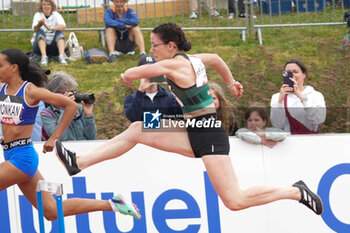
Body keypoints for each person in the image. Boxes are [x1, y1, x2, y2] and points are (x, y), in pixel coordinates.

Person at [55, 23, 323, 217]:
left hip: (208, 133)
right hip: (192, 126)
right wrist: (231, 83)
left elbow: (130, 73)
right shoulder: (191, 60)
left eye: (155, 45)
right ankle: (78, 162)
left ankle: (296, 191)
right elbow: (216, 59)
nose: (152, 49)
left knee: (235, 200)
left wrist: (136, 72)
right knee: (138, 128)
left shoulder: (174, 64)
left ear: (171, 46)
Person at [0, 48, 141, 221]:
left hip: (23, 158)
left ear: (14, 68)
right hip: (11, 153)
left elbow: (71, 105)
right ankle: (113, 204)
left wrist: (53, 137)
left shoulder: (31, 91)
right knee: (51, 211)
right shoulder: (3, 88)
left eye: (0, 65)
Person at [270, 58, 326, 134]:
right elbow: (277, 125)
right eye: (288, 73)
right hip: (288, 142)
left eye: (295, 72)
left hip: (310, 141)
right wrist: (279, 102)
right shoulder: (276, 97)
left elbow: (318, 119)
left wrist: (301, 97)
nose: (292, 76)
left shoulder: (315, 95)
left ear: (304, 75)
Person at [124, 54, 182, 122]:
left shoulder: (170, 98)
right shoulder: (130, 99)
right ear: (138, 74)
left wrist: (176, 89)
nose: (150, 74)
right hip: (142, 132)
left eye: (152, 71)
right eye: (145, 71)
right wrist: (140, 92)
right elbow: (133, 118)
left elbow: (185, 114)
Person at [41, 71, 97, 141]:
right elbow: (61, 138)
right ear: (53, 93)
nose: (70, 95)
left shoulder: (78, 109)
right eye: (65, 93)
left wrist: (88, 116)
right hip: (63, 150)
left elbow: (91, 137)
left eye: (71, 92)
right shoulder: (47, 114)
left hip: (83, 149)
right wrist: (65, 109)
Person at [31, 0, 67, 66]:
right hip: (39, 47)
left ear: (52, 6)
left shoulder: (56, 14)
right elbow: (34, 29)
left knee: (60, 31)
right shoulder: (37, 15)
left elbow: (63, 26)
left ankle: (61, 57)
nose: (46, 6)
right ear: (41, 6)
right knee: (40, 31)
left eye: (48, 4)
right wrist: (40, 24)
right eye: (44, 4)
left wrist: (52, 29)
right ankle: (44, 57)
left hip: (54, 45)